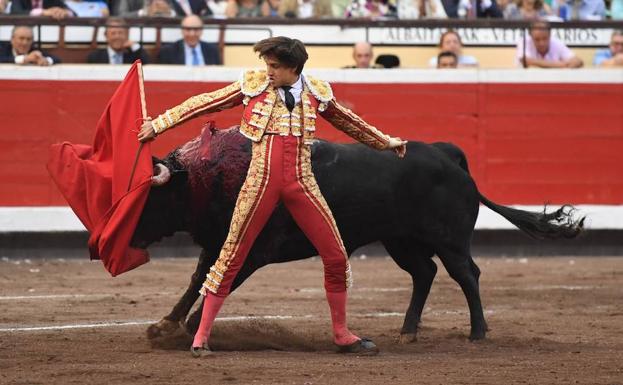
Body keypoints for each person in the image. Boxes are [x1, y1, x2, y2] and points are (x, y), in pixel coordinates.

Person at [138, 36, 407, 357]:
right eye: (266, 64)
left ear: (294, 68)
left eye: (275, 66)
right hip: (259, 184)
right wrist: (160, 123)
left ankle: (341, 333)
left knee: (336, 255)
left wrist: (385, 142)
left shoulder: (316, 92)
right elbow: (203, 103)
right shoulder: (252, 85)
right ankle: (201, 336)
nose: (268, 71)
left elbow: (350, 123)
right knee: (230, 257)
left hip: (302, 185)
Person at [516, 21, 583, 68]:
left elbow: (578, 61)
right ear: (530, 36)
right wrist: (561, 65)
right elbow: (526, 60)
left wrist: (571, 64)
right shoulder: (524, 41)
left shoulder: (557, 43)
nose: (541, 43)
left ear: (550, 35)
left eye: (545, 38)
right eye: (537, 39)